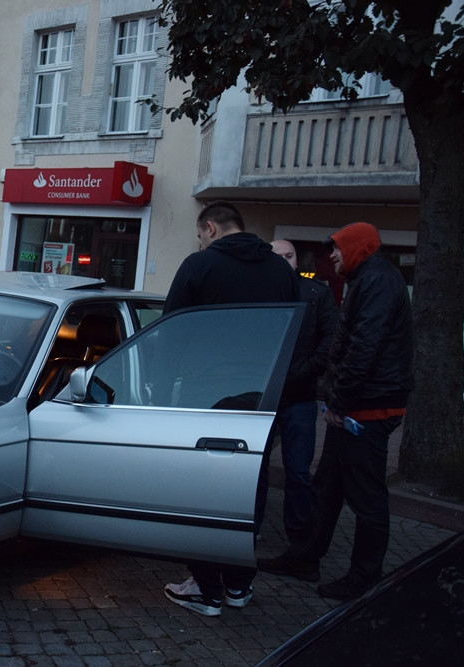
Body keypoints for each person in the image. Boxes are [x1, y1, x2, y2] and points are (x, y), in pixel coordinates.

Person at [258, 222, 413, 601]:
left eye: (338, 250)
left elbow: (363, 349)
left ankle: (364, 576)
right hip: (361, 405)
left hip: (366, 410)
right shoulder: (373, 279)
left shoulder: (375, 283)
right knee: (327, 488)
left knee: (367, 498)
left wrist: (338, 404)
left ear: (357, 249)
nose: (332, 256)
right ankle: (305, 557)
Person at [162, 201, 298, 617]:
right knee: (248, 491)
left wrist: (162, 395)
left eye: (201, 234)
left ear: (210, 228)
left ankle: (206, 589)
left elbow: (171, 334)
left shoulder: (199, 266)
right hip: (263, 399)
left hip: (208, 398)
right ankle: (239, 585)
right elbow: (296, 335)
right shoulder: (280, 270)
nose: (201, 241)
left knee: (201, 494)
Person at [262, 240, 338, 543]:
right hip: (262, 396)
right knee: (255, 470)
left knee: (298, 471)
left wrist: (302, 372)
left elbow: (330, 341)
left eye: (288, 255)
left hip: (300, 396)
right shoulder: (258, 292)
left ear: (297, 261)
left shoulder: (317, 293)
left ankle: (299, 541)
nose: (283, 261)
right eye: (276, 256)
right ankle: (249, 531)